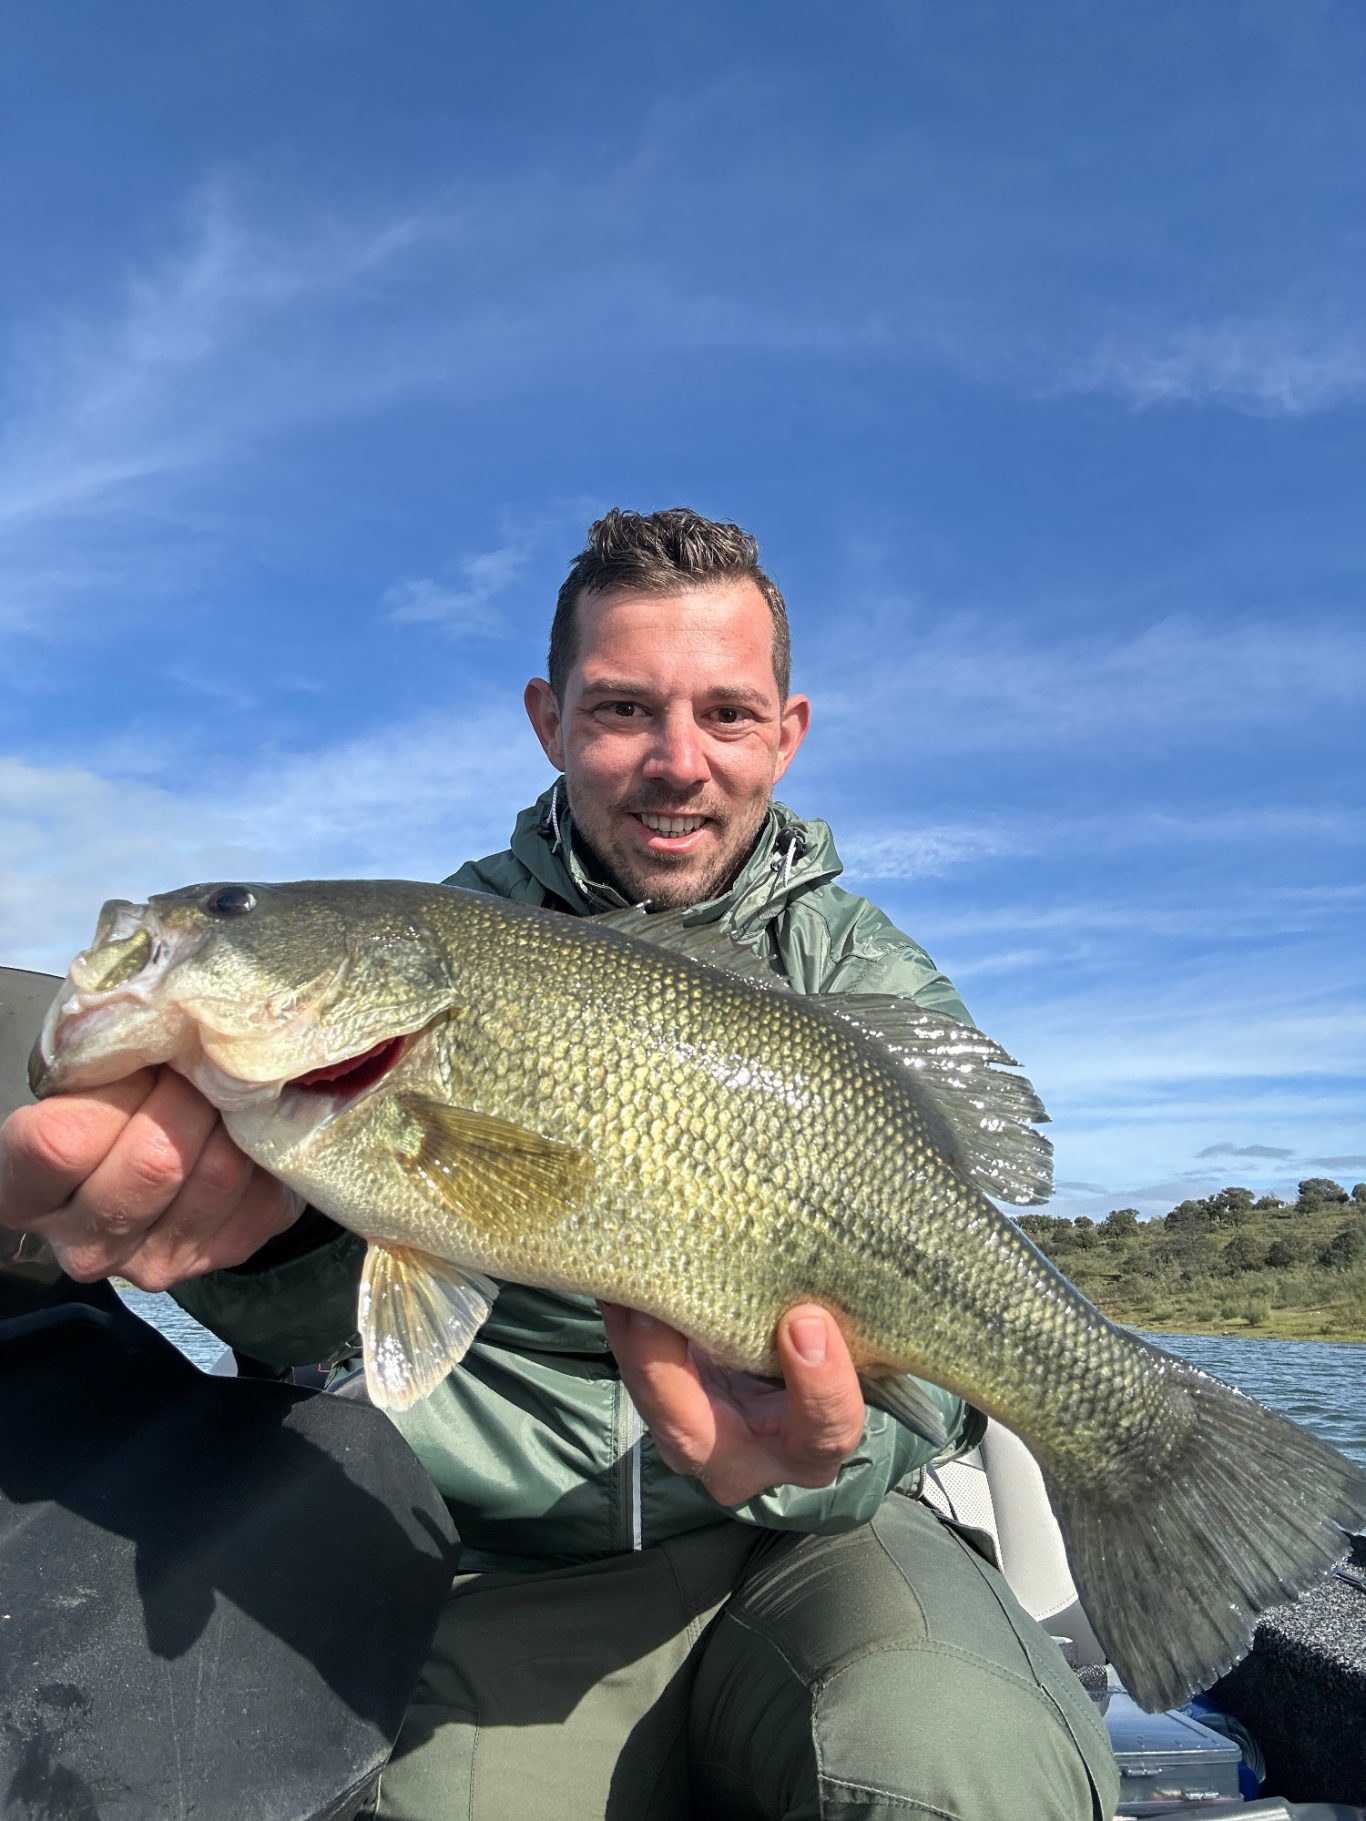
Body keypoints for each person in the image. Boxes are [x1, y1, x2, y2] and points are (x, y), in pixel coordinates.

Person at [0, 509, 1119, 1820]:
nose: (676, 762)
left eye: (726, 713)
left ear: (788, 729)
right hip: (504, 1563)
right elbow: (355, 1335)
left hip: (822, 1542)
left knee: (959, 1770)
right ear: (548, 716)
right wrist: (275, 1244)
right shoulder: (443, 931)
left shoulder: (865, 978)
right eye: (622, 708)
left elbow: (941, 1334)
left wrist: (841, 1439)